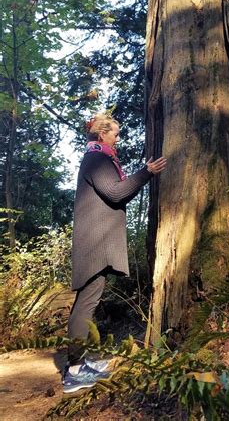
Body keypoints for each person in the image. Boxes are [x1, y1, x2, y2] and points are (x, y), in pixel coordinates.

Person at [63, 113, 166, 393]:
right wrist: (147, 172)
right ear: (102, 135)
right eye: (115, 133)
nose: (118, 138)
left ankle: (80, 363)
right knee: (86, 304)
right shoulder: (96, 159)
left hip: (95, 243)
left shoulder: (99, 158)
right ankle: (73, 371)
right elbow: (116, 193)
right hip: (93, 245)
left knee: (88, 301)